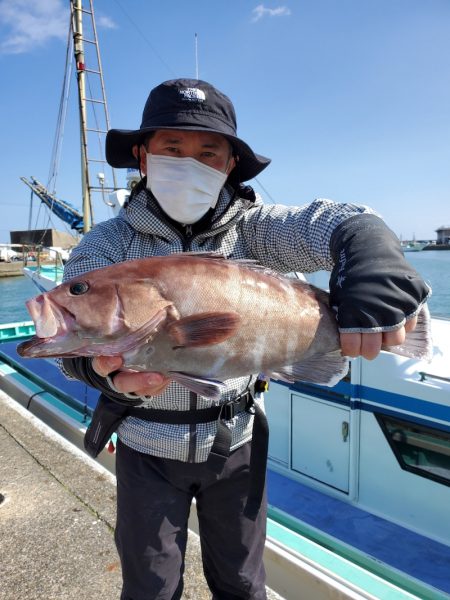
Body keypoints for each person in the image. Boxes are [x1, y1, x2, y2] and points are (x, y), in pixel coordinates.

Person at [60, 78, 430, 600]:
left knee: (241, 583)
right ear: (142, 156)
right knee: (149, 586)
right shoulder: (108, 244)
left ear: (230, 164)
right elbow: (70, 337)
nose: (190, 161)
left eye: (208, 152)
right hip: (143, 447)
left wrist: (368, 248)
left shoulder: (253, 231)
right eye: (172, 147)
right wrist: (97, 370)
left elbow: (337, 220)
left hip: (235, 445)